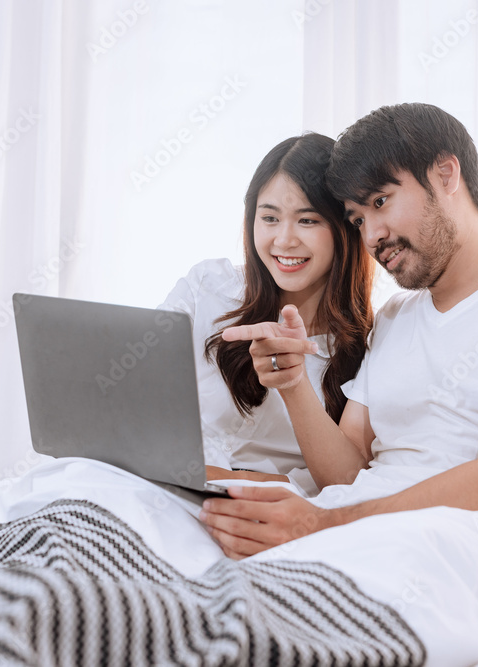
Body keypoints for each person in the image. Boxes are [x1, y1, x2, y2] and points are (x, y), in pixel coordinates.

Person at [199, 103, 478, 558]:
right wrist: (294, 384)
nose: (372, 235)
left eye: (380, 202)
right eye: (357, 219)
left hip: (461, 548)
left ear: (446, 175)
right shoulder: (396, 317)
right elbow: (347, 475)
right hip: (354, 534)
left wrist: (322, 523)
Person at [159, 133, 374, 497]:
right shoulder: (208, 287)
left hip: (265, 506)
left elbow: (345, 482)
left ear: (345, 229)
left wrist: (230, 480)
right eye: (269, 217)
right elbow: (142, 392)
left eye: (308, 221)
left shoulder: (369, 345)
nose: (284, 240)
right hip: (161, 484)